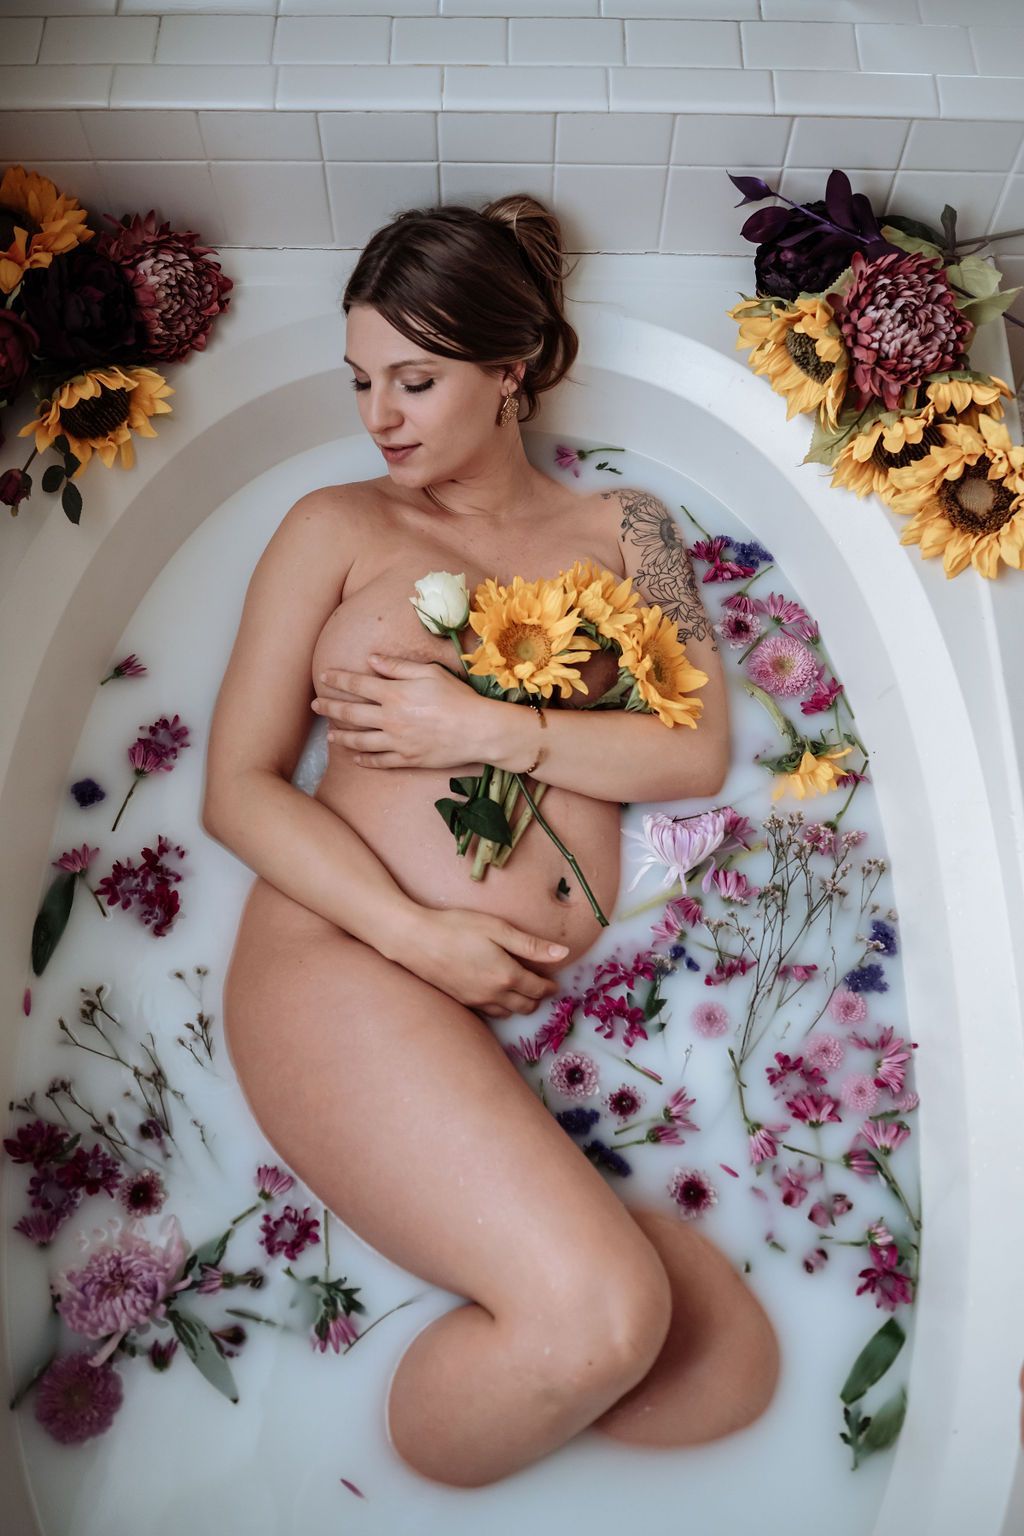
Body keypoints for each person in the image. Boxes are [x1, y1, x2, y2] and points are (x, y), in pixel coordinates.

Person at [205, 194, 779, 1490]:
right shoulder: (334, 530)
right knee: (607, 1327)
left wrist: (485, 722)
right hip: (346, 962)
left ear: (509, 373)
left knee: (725, 1374)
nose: (380, 417)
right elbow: (238, 793)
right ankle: (346, 1483)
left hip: (504, 1005)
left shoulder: (640, 533)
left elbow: (694, 750)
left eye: (415, 379)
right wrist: (422, 936)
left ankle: (525, 1247)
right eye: (361, 382)